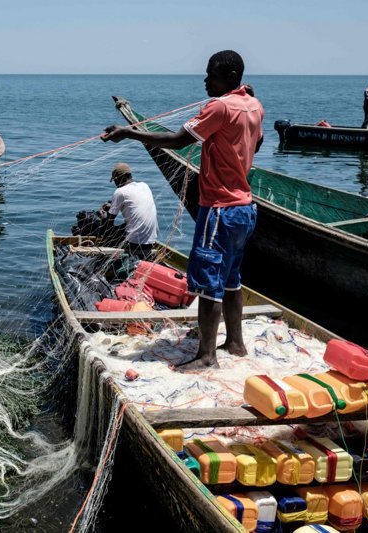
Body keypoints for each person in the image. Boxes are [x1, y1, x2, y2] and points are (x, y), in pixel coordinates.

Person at [102, 50, 264, 370]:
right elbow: (255, 145)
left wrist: (128, 133)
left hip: (218, 209)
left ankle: (206, 356)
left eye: (211, 75)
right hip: (245, 209)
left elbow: (178, 141)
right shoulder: (254, 105)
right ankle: (235, 342)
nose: (205, 80)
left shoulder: (219, 106)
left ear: (230, 77)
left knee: (207, 283)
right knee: (231, 279)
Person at [99, 162, 158, 260]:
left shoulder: (120, 192)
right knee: (124, 226)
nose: (115, 183)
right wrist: (113, 205)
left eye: (115, 180)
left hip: (135, 243)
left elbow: (109, 222)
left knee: (105, 229)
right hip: (151, 241)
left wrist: (102, 214)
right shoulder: (144, 186)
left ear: (117, 178)